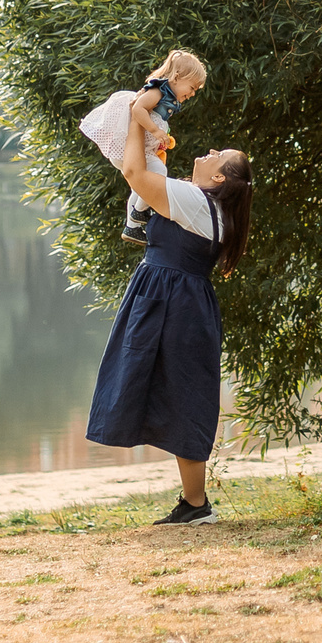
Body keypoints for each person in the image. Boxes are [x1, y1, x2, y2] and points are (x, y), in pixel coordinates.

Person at [83, 127, 254, 524]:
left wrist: (137, 124)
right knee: (173, 391)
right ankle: (195, 505)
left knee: (184, 396)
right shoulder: (196, 199)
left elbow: (132, 172)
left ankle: (197, 506)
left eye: (219, 153)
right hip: (168, 297)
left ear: (219, 180)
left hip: (176, 303)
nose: (209, 150)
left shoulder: (197, 201)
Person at [77, 49, 207, 245]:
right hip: (127, 149)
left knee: (144, 184)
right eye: (192, 87)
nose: (193, 93)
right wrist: (155, 131)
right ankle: (138, 212)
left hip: (143, 151)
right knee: (156, 177)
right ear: (177, 77)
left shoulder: (167, 96)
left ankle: (133, 226)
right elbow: (137, 108)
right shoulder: (157, 91)